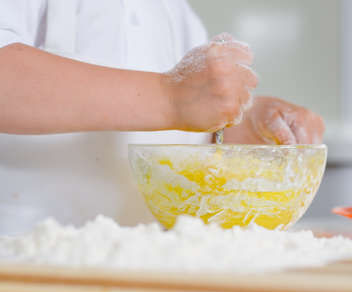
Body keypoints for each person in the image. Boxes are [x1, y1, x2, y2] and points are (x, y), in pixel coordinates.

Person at [0, 0, 324, 234]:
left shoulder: (172, 10)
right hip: (23, 256)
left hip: (147, 262)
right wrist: (171, 96)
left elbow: (180, 127)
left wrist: (244, 123)